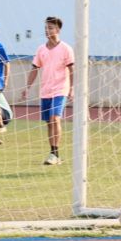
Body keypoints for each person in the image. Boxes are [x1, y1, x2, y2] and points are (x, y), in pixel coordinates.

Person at [28, 16, 76, 166]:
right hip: (46, 91)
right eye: (46, 28)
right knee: (49, 122)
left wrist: (72, 88)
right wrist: (27, 87)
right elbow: (34, 69)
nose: (47, 31)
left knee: (55, 118)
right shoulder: (41, 49)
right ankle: (53, 153)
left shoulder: (66, 49)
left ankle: (55, 154)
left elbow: (72, 70)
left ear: (58, 30)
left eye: (50, 28)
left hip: (61, 89)